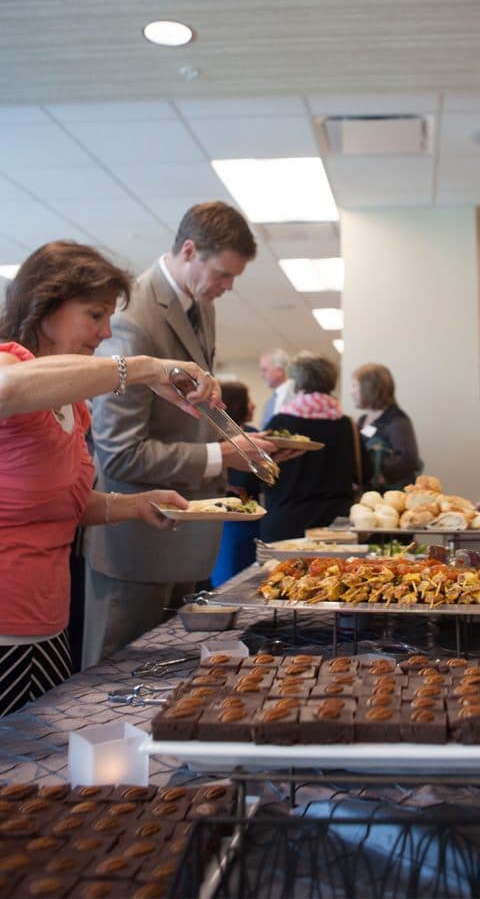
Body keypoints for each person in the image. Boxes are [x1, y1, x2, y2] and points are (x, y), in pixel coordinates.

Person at [0, 240, 219, 714]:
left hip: (48, 624)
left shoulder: (74, 407)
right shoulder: (8, 364)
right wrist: (142, 368)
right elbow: (9, 388)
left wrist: (137, 505)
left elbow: (70, 505)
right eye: (94, 315)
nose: (104, 332)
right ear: (45, 307)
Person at [82, 201, 297, 667]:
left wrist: (248, 448)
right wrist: (223, 456)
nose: (228, 287)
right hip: (138, 547)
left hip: (184, 537)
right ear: (188, 250)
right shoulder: (131, 320)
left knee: (170, 690)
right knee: (115, 693)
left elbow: (198, 406)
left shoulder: (200, 305)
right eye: (223, 274)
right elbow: (120, 454)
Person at [260, 352, 358, 542]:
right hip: (336, 525)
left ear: (298, 382)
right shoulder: (347, 425)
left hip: (286, 522)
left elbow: (260, 468)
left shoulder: (281, 422)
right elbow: (365, 472)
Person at [210, 380, 263, 587]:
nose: (253, 405)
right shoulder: (215, 436)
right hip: (229, 521)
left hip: (254, 518)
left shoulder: (253, 431)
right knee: (228, 579)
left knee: (251, 577)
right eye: (248, 400)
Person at [351, 362, 421, 491]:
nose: (352, 392)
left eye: (355, 386)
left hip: (390, 496)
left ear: (369, 387)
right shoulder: (362, 420)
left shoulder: (396, 420)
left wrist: (378, 476)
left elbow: (407, 459)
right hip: (368, 492)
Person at [259, 348, 294, 428]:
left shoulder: (297, 395)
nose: (261, 375)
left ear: (280, 370)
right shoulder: (269, 403)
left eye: (264, 370)